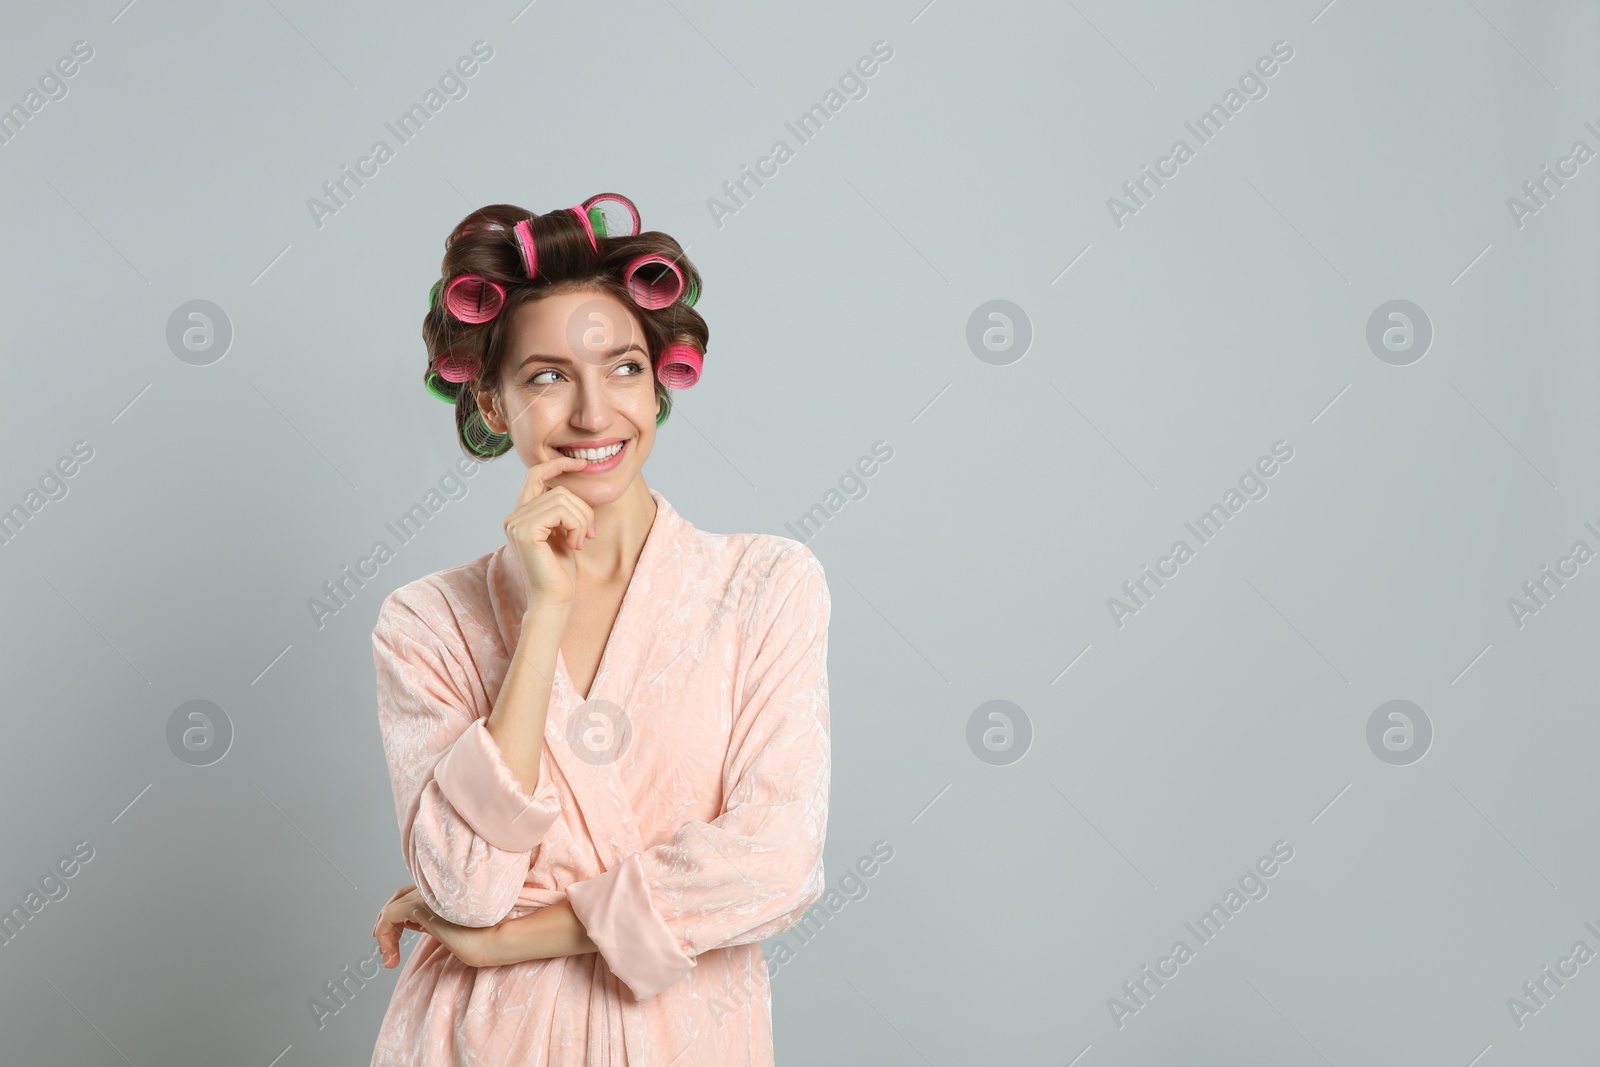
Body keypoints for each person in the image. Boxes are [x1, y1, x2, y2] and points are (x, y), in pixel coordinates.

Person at [366, 194, 832, 1066]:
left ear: (656, 381)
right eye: (545, 376)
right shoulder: (425, 622)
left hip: (687, 1039)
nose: (591, 413)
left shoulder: (765, 586)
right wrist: (543, 613)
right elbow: (466, 885)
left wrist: (510, 938)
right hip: (480, 1039)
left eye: (621, 368)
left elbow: (776, 860)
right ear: (495, 406)